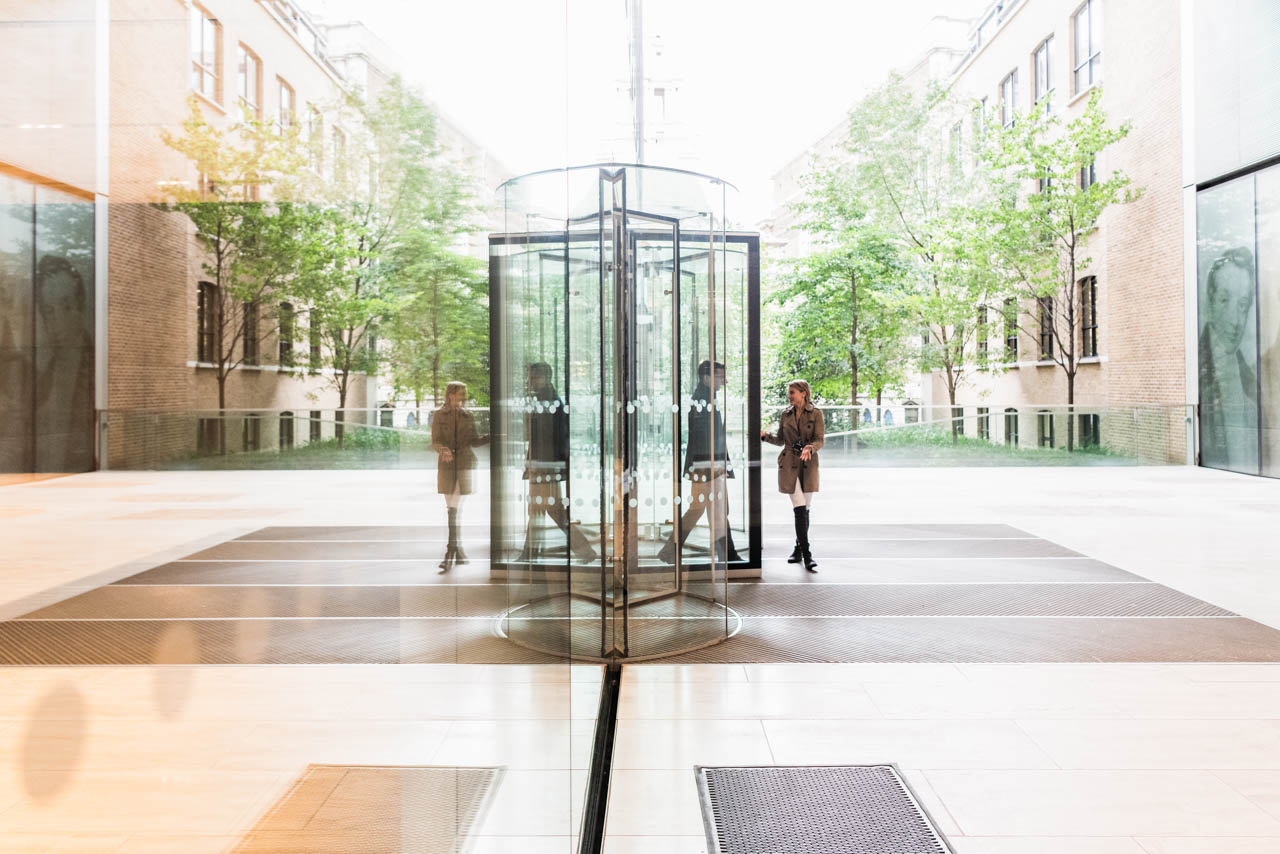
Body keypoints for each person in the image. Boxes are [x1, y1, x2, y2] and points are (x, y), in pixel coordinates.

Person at [657, 360, 743, 564]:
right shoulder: (703, 399)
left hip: (706, 464)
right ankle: (723, 553)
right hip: (707, 465)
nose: (724, 381)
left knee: (708, 509)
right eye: (720, 377)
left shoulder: (706, 397)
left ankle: (723, 552)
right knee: (710, 509)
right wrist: (716, 464)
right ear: (706, 377)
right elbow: (705, 436)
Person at [517, 362, 596, 563]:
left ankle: (584, 550)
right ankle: (530, 553)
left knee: (552, 510)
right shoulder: (546, 399)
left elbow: (544, 436)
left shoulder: (548, 402)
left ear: (545, 378)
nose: (530, 381)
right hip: (543, 464)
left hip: (545, 465)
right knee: (539, 510)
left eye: (533, 377)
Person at [1199, 247, 1258, 469]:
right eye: (1225, 300)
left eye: (1242, 306)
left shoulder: (1248, 374)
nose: (1235, 320)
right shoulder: (1200, 366)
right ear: (1210, 304)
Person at [761, 379, 825, 572]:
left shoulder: (816, 413)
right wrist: (765, 437)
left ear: (803, 393)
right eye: (789, 393)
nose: (789, 396)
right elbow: (781, 440)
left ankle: (798, 548)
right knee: (799, 506)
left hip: (808, 464)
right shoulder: (785, 414)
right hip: (789, 464)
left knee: (805, 509)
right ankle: (807, 555)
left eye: (792, 393)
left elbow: (820, 440)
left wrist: (810, 447)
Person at [431, 381, 489, 573]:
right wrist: (443, 449)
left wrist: (492, 435)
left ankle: (453, 551)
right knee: (452, 508)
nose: (464, 397)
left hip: (464, 463)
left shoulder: (468, 415)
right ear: (450, 395)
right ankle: (453, 551)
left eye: (464, 393)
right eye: (461, 393)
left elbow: (474, 440)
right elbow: (435, 441)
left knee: (455, 508)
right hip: (448, 465)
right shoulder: (439, 415)